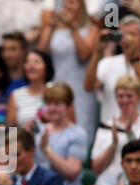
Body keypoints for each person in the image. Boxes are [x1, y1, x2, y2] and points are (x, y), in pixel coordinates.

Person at [84, 15, 140, 123]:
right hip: (111, 130)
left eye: (132, 34)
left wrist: (134, 59)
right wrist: (97, 52)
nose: (126, 38)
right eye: (123, 34)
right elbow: (89, 87)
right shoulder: (107, 63)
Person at [38, 0, 99, 143]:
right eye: (65, 3)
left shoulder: (92, 29)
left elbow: (84, 54)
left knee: (81, 131)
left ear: (81, 7)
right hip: (55, 88)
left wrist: (73, 28)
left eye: (72, 3)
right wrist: (49, 28)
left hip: (80, 91)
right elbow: (41, 55)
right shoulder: (55, 29)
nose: (67, 6)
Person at [34, 81, 88, 185]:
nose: (51, 108)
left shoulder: (77, 133)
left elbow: (72, 171)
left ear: (69, 106)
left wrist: (46, 150)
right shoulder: (39, 131)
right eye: (49, 103)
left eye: (57, 103)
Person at [91, 75, 140, 185]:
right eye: (120, 96)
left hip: (136, 183)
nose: (124, 100)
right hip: (106, 182)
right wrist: (113, 145)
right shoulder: (107, 126)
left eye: (129, 96)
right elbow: (96, 168)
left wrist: (129, 134)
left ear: (138, 98)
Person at [7, 49, 54, 129]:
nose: (31, 66)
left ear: (47, 67)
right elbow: (11, 132)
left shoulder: (57, 91)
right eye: (27, 62)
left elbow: (70, 126)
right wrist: (24, 132)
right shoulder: (16, 95)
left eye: (36, 62)